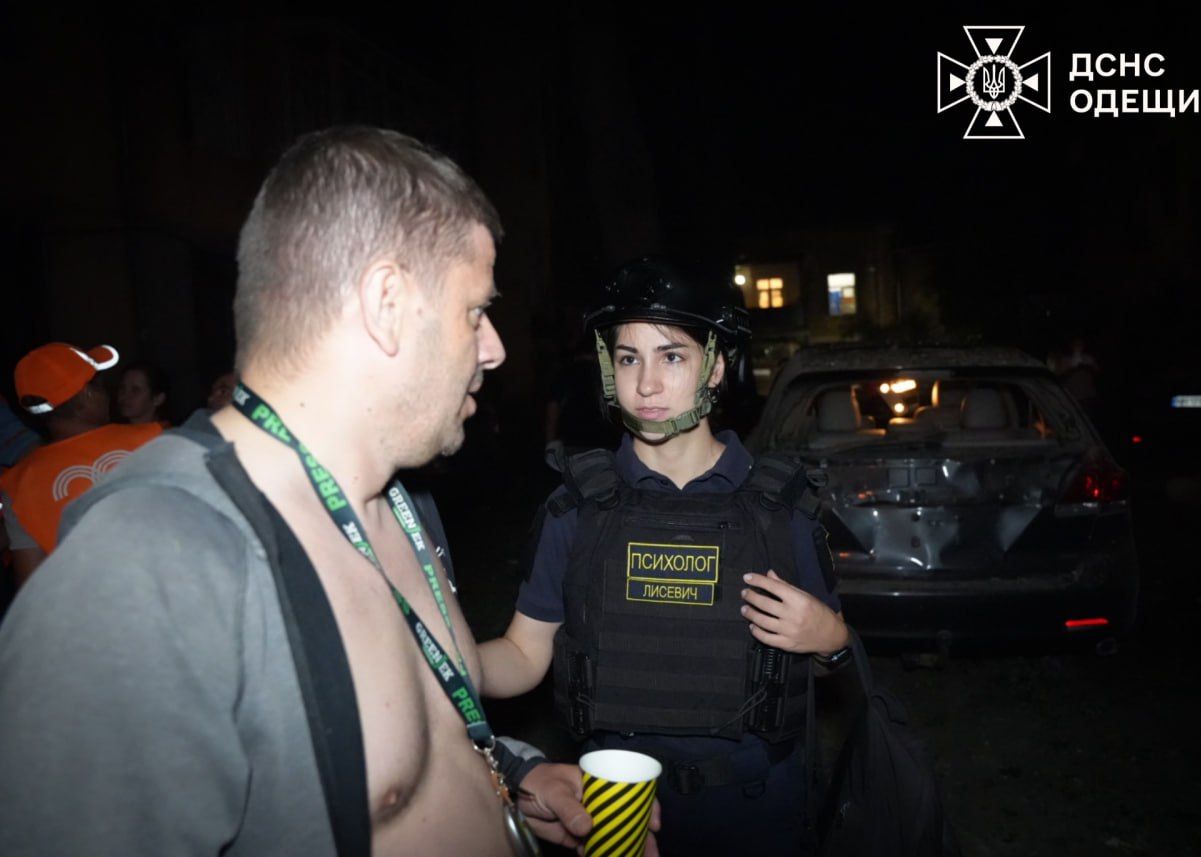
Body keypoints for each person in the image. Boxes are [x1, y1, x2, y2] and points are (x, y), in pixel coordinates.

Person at [0, 127, 647, 857]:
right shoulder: (149, 570)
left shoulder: (397, 501)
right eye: (475, 311)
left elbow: (408, 733)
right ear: (386, 302)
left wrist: (517, 776)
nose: (494, 347)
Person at [480, 258, 853, 857]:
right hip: (614, 807)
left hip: (756, 810)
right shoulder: (577, 507)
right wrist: (437, 662)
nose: (647, 384)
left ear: (716, 367)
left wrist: (831, 639)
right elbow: (523, 656)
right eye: (629, 358)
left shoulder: (781, 509)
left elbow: (830, 663)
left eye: (672, 356)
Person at [0, 342, 161, 585]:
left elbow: (32, 584)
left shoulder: (19, 485)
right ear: (87, 395)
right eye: (99, 385)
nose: (108, 394)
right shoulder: (151, 439)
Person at [116, 360, 170, 425]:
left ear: (158, 399)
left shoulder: (168, 431)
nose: (125, 396)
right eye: (122, 388)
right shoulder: (113, 429)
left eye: (135, 390)